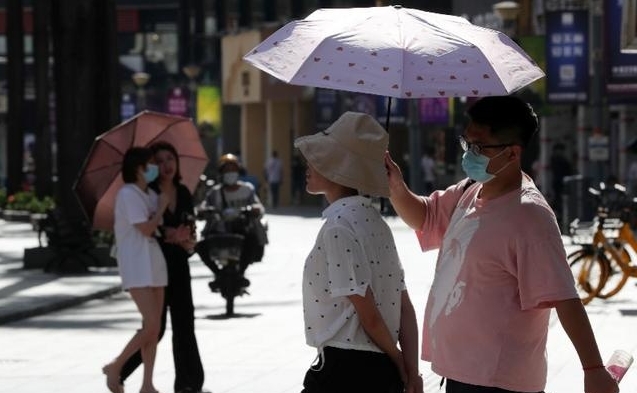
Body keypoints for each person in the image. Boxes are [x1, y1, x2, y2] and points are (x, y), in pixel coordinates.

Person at [384, 96, 618, 393]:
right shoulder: (469, 191)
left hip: (499, 381)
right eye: (467, 143)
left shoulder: (529, 215)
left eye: (480, 147)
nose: (470, 154)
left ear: (512, 154)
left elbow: (564, 297)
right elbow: (425, 216)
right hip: (460, 372)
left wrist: (594, 370)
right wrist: (395, 185)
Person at [294, 111, 423, 393]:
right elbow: (405, 307)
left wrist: (401, 362)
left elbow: (369, 315)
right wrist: (411, 372)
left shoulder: (337, 228)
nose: (308, 165)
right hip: (382, 372)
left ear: (337, 168)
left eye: (317, 158)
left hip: (345, 370)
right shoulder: (378, 224)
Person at [118, 141, 207, 393]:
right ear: (151, 167)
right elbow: (146, 230)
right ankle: (119, 371)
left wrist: (188, 239)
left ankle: (189, 384)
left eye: (170, 158)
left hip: (179, 265)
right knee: (155, 329)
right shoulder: (147, 193)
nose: (166, 165)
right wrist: (168, 232)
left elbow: (190, 231)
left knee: (184, 325)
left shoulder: (184, 192)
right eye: (159, 160)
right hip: (154, 266)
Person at [103, 147, 170, 393]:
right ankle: (116, 366)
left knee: (154, 328)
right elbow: (146, 228)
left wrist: (160, 205)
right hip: (135, 264)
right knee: (151, 326)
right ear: (137, 168)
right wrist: (161, 208)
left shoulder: (149, 194)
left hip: (154, 262)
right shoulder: (128, 194)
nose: (154, 168)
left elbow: (158, 229)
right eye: (150, 164)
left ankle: (147, 384)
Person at [198, 153, 265, 289]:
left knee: (252, 240)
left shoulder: (247, 189)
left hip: (241, 230)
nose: (230, 173)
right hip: (218, 231)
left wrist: (252, 209)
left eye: (233, 170)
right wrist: (204, 210)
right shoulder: (214, 192)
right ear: (221, 173)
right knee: (200, 246)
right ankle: (217, 274)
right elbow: (202, 207)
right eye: (227, 170)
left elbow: (258, 207)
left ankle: (240, 273)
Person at [549, 142, 573, 221]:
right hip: (558, 183)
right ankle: (558, 214)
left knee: (559, 200)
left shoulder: (557, 159)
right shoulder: (557, 160)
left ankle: (559, 214)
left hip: (561, 183)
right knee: (558, 199)